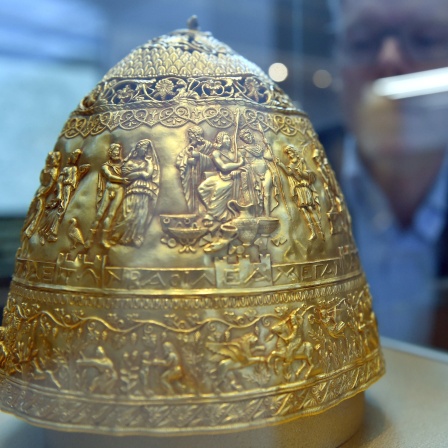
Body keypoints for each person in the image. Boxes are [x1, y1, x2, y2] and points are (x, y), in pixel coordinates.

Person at [322, 0, 448, 348]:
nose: (389, 60)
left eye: (425, 39)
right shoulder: (281, 182)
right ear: (337, 62)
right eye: (362, 42)